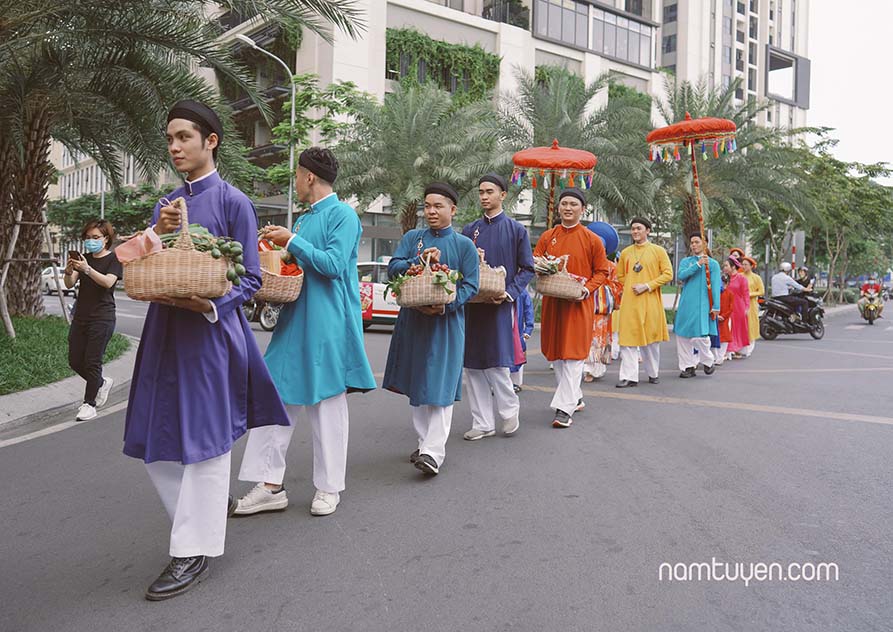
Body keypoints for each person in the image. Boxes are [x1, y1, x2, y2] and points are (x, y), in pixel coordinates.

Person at [122, 100, 290, 601]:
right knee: (155, 441)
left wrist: (212, 305)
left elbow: (253, 278)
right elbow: (137, 262)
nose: (174, 147)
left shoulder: (235, 202)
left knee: (206, 442)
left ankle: (193, 551)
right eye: (169, 139)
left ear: (210, 141)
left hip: (212, 336)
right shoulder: (168, 204)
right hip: (164, 335)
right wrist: (159, 232)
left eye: (184, 137)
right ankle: (200, 519)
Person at [232, 147, 376, 519]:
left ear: (309, 176)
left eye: (297, 174)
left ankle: (329, 487)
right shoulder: (304, 219)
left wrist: (291, 242)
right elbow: (297, 267)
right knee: (276, 397)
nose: (295, 181)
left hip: (329, 322)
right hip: (295, 319)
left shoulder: (343, 215)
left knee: (327, 404)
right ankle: (269, 486)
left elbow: (332, 264)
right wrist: (276, 250)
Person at [382, 183, 480, 475]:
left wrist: (446, 306)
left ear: (453, 209)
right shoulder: (413, 238)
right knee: (417, 383)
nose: (431, 211)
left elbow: (471, 285)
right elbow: (393, 268)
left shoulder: (464, 245)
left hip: (446, 324)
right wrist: (419, 260)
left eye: (438, 206)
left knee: (440, 386)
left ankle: (433, 452)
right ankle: (424, 442)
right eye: (427, 206)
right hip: (413, 322)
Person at [460, 173, 534, 441]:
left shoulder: (516, 230)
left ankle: (509, 410)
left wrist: (509, 293)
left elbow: (527, 268)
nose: (484, 196)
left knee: (497, 362)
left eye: (489, 191)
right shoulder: (469, 231)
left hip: (501, 306)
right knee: (472, 366)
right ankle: (482, 423)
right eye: (481, 192)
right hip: (472, 305)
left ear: (503, 195)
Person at [533, 188, 609, 428]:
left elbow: (602, 272)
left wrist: (586, 289)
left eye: (573, 204)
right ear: (558, 207)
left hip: (578, 304)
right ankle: (574, 396)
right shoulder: (548, 236)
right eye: (564, 203)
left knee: (573, 355)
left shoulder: (592, 239)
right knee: (556, 354)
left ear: (582, 209)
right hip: (553, 303)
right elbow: (535, 260)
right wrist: (542, 267)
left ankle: (564, 409)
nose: (568, 208)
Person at [63, 219, 123, 421]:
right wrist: (69, 271)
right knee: (74, 361)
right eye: (88, 237)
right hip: (81, 317)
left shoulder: (114, 259)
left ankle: (89, 404)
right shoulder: (84, 259)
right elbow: (69, 284)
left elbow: (108, 282)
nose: (91, 241)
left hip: (102, 317)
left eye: (95, 237)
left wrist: (87, 269)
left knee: (92, 362)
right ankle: (101, 383)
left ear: (106, 238)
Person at [615, 217, 672, 388]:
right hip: (630, 301)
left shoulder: (658, 251)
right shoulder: (625, 253)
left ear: (647, 230)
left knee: (651, 340)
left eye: (639, 228)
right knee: (627, 340)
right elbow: (620, 275)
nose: (635, 231)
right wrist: (630, 284)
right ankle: (629, 377)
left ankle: (653, 373)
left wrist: (647, 286)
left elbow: (668, 274)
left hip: (650, 300)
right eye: (633, 229)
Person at [674, 233, 721, 377]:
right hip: (686, 303)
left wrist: (716, 306)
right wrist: (698, 264)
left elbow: (715, 286)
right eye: (692, 242)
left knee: (700, 335)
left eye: (697, 242)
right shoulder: (686, 261)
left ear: (705, 243)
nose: (693, 245)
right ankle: (687, 367)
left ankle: (708, 360)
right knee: (682, 335)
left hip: (703, 304)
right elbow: (681, 275)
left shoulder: (713, 264)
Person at [583, 227, 621, 382]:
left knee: (598, 337)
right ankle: (586, 367)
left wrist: (604, 285)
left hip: (602, 307)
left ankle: (593, 368)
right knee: (585, 336)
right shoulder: (585, 264)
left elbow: (618, 285)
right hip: (585, 304)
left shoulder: (611, 266)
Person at [726, 255, 751, 358]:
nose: (724, 268)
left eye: (726, 266)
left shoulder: (742, 279)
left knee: (737, 328)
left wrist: (747, 307)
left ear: (733, 267)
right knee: (728, 327)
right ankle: (728, 349)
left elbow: (746, 294)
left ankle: (737, 349)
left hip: (738, 307)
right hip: (726, 306)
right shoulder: (725, 278)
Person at [510, 288, 535, 392]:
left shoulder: (522, 292)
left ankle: (516, 383)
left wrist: (528, 329)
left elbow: (528, 311)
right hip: (507, 329)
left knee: (518, 355)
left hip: (517, 331)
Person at [740, 256, 765, 357]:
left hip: (751, 304)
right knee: (741, 325)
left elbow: (761, 291)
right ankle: (740, 347)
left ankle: (749, 348)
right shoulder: (740, 276)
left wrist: (750, 294)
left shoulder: (756, 278)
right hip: (740, 304)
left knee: (751, 324)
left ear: (751, 266)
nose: (744, 266)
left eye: (746, 264)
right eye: (743, 264)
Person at [715, 267, 734, 365]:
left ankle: (721, 356)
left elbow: (731, 308)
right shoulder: (716, 293)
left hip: (725, 319)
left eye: (725, 283)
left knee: (724, 338)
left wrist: (724, 316)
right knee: (716, 337)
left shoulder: (730, 294)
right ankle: (716, 357)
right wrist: (716, 315)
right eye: (722, 283)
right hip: (716, 318)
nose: (724, 285)